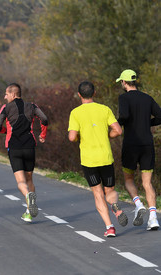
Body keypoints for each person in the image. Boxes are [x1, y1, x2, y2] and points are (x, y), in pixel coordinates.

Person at [68, 81, 128, 237]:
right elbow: (118, 130)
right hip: (106, 157)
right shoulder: (104, 109)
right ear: (94, 93)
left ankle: (110, 227)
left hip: (89, 159)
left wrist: (79, 139)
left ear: (79, 95)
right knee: (110, 190)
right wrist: (106, 135)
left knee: (97, 193)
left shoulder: (76, 113)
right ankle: (115, 206)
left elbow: (72, 137)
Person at [0, 83, 48, 222]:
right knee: (30, 179)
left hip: (14, 148)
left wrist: (5, 131)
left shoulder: (6, 108)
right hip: (30, 147)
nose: (4, 97)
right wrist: (43, 134)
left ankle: (28, 198)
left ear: (13, 94)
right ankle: (29, 211)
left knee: (20, 182)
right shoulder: (32, 106)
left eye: (6, 94)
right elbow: (44, 119)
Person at [116, 69, 161, 231]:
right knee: (147, 183)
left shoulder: (124, 97)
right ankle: (153, 218)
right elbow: (160, 115)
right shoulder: (147, 98)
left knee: (128, 179)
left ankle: (138, 204)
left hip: (131, 143)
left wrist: (117, 123)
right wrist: (147, 123)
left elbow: (125, 115)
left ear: (124, 82)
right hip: (147, 144)